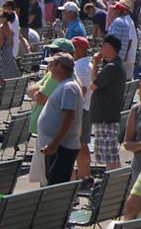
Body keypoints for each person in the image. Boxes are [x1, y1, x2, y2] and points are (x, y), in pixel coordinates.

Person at [36, 53, 83, 185]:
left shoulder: (69, 87)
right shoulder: (64, 85)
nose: (49, 67)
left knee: (55, 188)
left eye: (52, 64)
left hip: (62, 148)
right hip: (57, 147)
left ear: (60, 67)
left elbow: (69, 118)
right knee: (52, 184)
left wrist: (54, 144)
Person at [89, 34, 126, 170]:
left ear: (109, 47)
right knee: (110, 155)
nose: (101, 49)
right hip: (108, 116)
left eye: (103, 46)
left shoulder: (112, 67)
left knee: (110, 157)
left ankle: (114, 185)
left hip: (106, 117)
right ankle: (113, 183)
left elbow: (93, 85)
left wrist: (95, 64)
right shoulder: (114, 65)